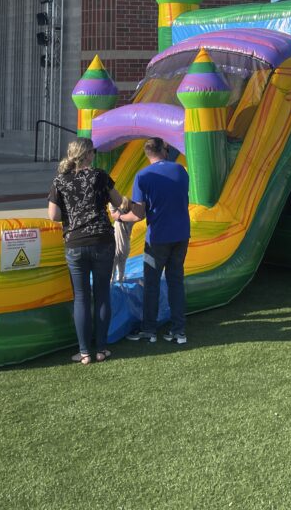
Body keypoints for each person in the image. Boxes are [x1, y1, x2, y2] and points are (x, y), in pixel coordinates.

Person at [47, 138, 128, 363]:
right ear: (88, 155)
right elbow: (119, 201)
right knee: (102, 294)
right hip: (102, 239)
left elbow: (53, 216)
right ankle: (101, 349)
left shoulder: (60, 181)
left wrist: (74, 217)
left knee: (81, 297)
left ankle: (84, 353)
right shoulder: (99, 176)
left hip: (75, 242)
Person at [114, 137, 190, 345]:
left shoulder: (143, 176)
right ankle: (179, 330)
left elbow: (138, 215)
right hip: (182, 234)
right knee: (176, 282)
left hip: (158, 238)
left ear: (147, 154)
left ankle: (149, 330)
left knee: (152, 284)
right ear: (164, 150)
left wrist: (119, 217)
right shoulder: (181, 171)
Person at [110, 195, 133, 282]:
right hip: (125, 246)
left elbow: (112, 207)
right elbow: (142, 215)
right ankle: (120, 280)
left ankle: (112, 281)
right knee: (121, 265)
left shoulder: (119, 214)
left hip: (116, 245)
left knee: (113, 265)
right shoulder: (131, 218)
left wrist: (113, 198)